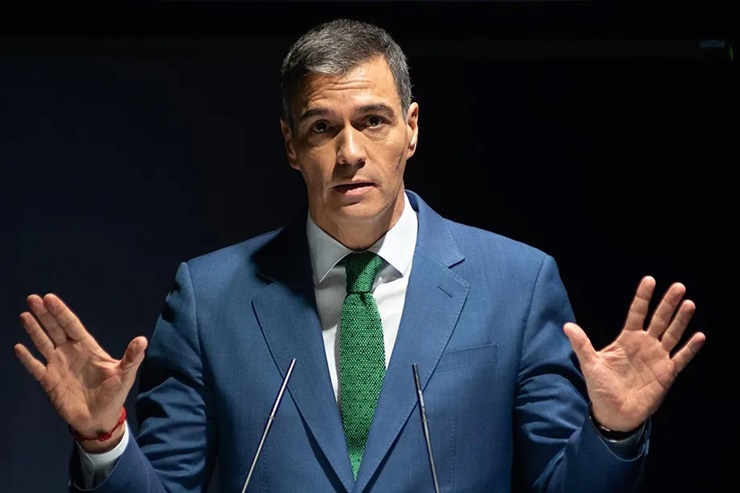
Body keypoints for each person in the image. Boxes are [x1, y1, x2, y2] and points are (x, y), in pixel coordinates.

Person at [14, 18, 706, 493]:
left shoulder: (516, 284)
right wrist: (105, 440)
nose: (350, 152)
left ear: (411, 129)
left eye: (372, 121)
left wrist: (614, 431)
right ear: (291, 146)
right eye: (322, 128)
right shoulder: (209, 298)